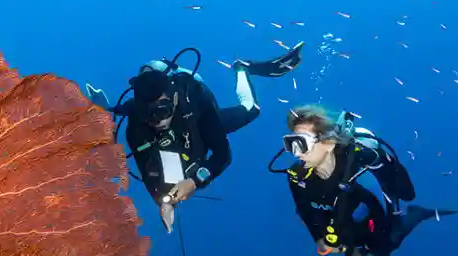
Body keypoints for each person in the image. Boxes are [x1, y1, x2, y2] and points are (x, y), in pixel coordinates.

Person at [86, 43, 304, 231]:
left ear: (173, 99)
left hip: (198, 121)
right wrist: (164, 203)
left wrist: (194, 181)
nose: (157, 121)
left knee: (251, 109)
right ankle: (105, 106)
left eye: (162, 112)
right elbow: (147, 171)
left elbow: (222, 155)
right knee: (165, 163)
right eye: (149, 114)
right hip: (169, 135)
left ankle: (242, 69)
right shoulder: (137, 124)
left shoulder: (195, 98)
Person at [276, 105, 456, 256]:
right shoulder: (297, 178)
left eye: (302, 143)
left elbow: (391, 201)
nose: (296, 152)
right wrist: (321, 240)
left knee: (390, 242)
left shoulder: (360, 168)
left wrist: (360, 250)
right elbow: (306, 212)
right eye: (291, 143)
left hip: (377, 221)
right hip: (348, 223)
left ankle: (415, 216)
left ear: (328, 142)